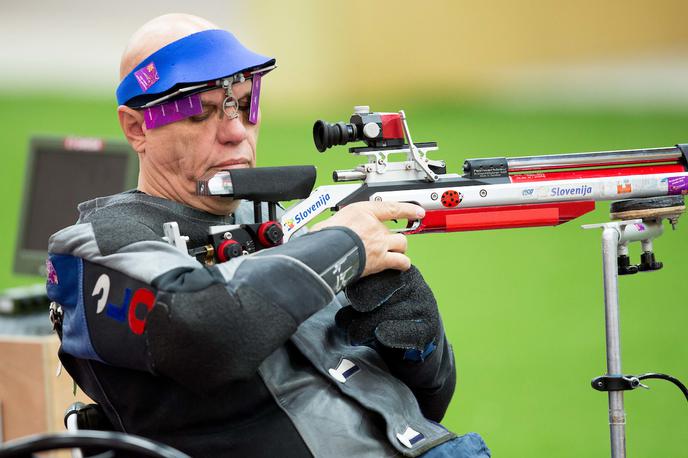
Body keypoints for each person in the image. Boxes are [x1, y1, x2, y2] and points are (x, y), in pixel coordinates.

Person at [46, 13, 490, 458]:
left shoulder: (280, 227)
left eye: (244, 104)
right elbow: (209, 330)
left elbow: (428, 408)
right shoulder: (96, 246)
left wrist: (419, 347)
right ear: (137, 128)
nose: (236, 131)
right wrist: (343, 246)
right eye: (202, 113)